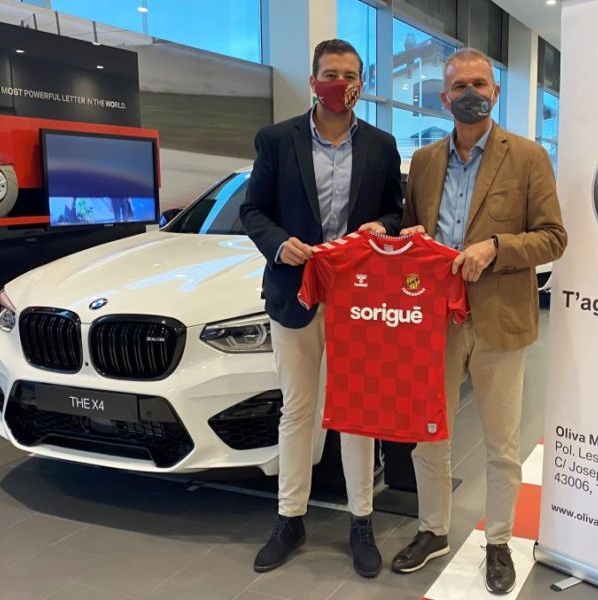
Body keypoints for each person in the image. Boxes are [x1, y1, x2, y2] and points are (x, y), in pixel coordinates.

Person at [391, 48, 567, 594]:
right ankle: (432, 529)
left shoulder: (528, 157)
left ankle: (498, 541)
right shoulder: (425, 161)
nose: (471, 93)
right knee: (428, 434)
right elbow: (410, 230)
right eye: (460, 86)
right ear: (444, 98)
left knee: (500, 441)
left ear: (495, 92)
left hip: (499, 317)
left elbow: (553, 237)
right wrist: (410, 240)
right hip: (434, 321)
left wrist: (496, 247)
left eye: (480, 84)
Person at [240, 39, 403, 578]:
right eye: (330, 74)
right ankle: (290, 518)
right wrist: (277, 243)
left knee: (357, 412)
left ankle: (362, 520)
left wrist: (382, 227)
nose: (340, 84)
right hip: (294, 292)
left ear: (361, 83)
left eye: (349, 75)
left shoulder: (381, 145)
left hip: (358, 298)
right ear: (313, 82)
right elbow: (253, 209)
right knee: (297, 410)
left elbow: (396, 212)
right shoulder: (275, 139)